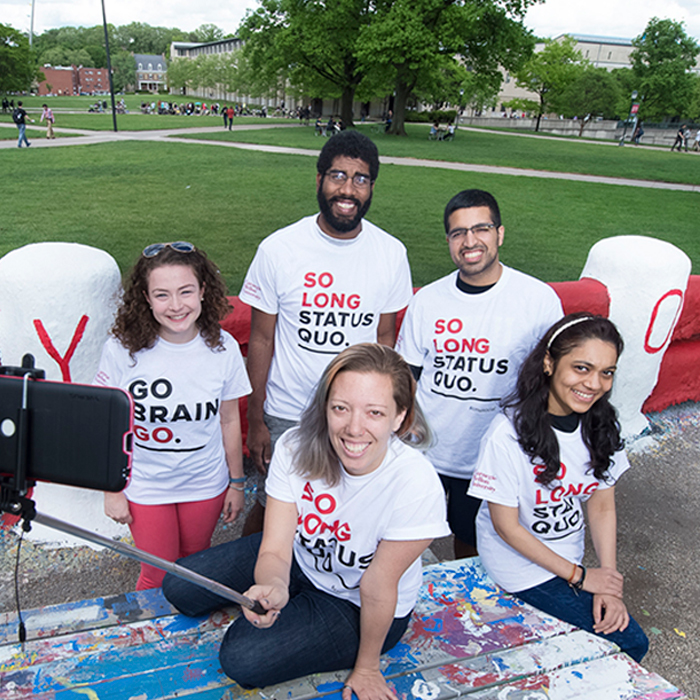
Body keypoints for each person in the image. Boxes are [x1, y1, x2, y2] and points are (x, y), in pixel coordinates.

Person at [163, 343, 449, 696]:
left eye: (374, 412)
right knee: (178, 586)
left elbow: (377, 587)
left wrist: (368, 667)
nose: (354, 428)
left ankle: (305, 618)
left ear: (400, 416)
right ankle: (293, 603)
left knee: (242, 657)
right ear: (325, 407)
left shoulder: (416, 484)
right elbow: (277, 548)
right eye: (341, 408)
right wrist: (274, 585)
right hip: (302, 559)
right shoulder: (294, 448)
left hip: (355, 602)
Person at [239, 130, 413, 535]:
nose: (348, 189)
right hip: (288, 411)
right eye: (338, 175)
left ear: (371, 187)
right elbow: (261, 339)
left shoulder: (390, 252)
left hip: (356, 412)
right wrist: (256, 418)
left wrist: (382, 412)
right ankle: (253, 582)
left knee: (346, 508)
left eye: (361, 178)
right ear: (318, 180)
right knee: (272, 508)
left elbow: (385, 340)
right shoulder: (279, 249)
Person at [468, 314, 649, 663]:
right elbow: (506, 526)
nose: (594, 383)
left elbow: (601, 505)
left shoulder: (600, 424)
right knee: (631, 643)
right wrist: (581, 578)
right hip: (518, 567)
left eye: (606, 372)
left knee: (610, 631)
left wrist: (607, 582)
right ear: (549, 363)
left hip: (569, 562)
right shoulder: (506, 434)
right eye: (582, 368)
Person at [397, 189, 562, 559]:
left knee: (473, 544)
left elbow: (552, 380)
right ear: (449, 241)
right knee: (404, 537)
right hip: (427, 452)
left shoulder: (537, 300)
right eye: (458, 233)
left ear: (499, 234)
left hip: (491, 455)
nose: (470, 241)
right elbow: (407, 373)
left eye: (481, 229)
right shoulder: (427, 300)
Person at [95, 242, 251, 590]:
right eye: (162, 295)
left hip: (204, 483)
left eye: (186, 291)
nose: (177, 305)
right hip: (146, 485)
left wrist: (237, 483)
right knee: (157, 573)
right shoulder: (121, 350)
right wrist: (111, 490)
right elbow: (108, 421)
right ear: (146, 299)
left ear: (203, 291)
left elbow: (229, 419)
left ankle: (186, 639)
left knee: (196, 567)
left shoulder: (222, 347)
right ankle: (147, 640)